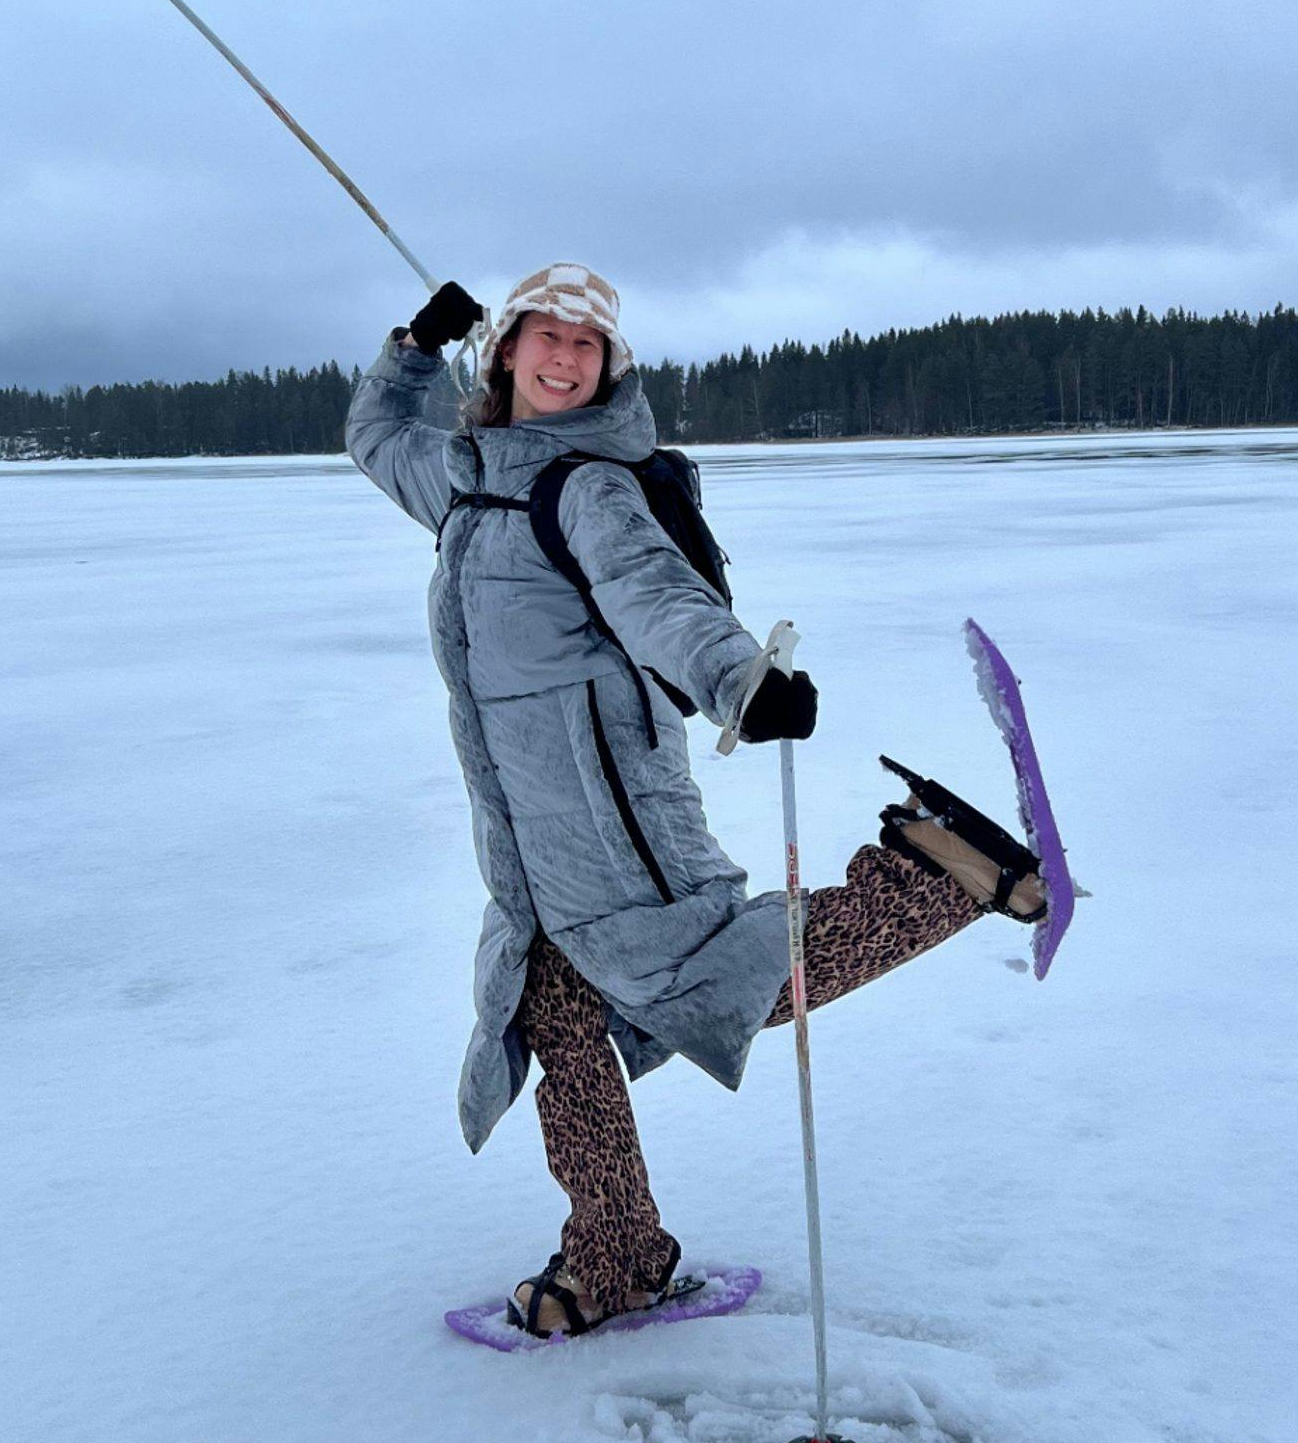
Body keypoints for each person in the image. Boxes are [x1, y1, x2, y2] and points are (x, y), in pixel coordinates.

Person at [346, 263, 1045, 1338]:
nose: (567, 360)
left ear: (609, 367)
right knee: (559, 1009)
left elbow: (655, 594)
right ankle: (616, 1257)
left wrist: (739, 680)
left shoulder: (588, 486)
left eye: (590, 346)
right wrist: (410, 350)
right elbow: (375, 439)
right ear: (507, 349)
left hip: (614, 812)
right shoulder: (466, 475)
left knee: (705, 981)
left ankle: (936, 878)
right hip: (531, 836)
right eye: (549, 337)